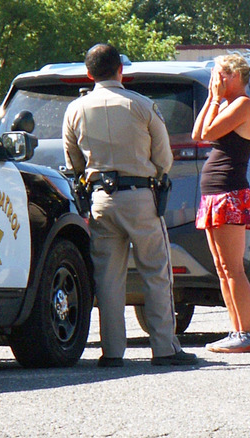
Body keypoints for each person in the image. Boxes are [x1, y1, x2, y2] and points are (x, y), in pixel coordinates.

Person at [63, 43, 197, 367]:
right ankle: (165, 348)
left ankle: (112, 352)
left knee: (107, 279)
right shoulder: (142, 105)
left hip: (100, 200)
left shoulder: (75, 110)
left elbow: (73, 162)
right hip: (139, 196)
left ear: (89, 74)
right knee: (156, 272)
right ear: (120, 70)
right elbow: (164, 158)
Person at [191, 54, 250, 353]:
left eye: (219, 75)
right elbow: (198, 134)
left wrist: (216, 99)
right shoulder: (225, 105)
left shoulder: (244, 106)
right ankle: (236, 331)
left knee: (234, 268)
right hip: (215, 194)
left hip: (229, 194)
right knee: (222, 268)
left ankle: (248, 333)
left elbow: (209, 133)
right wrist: (212, 99)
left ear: (235, 76)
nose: (215, 80)